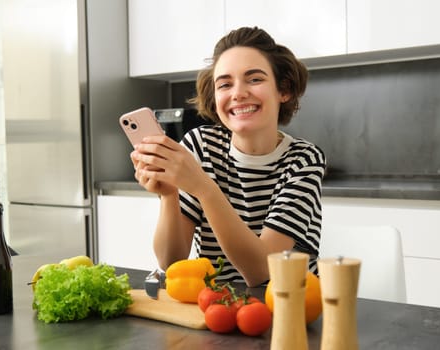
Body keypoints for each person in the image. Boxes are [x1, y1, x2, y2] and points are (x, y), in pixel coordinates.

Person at [131, 27, 326, 287]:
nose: (238, 93)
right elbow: (170, 261)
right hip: (217, 309)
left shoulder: (304, 160)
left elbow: (262, 272)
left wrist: (203, 187)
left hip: (288, 307)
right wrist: (169, 195)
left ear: (284, 89)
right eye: (224, 84)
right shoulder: (200, 145)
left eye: (254, 79)